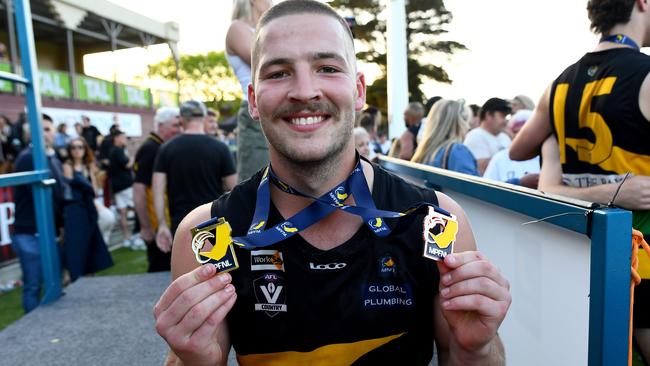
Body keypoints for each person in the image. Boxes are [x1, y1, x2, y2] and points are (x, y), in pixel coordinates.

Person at [154, 2, 511, 365]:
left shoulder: (436, 221)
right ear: (253, 99)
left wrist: (476, 349)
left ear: (358, 91)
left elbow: (468, 356)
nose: (305, 91)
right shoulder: (206, 234)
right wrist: (192, 361)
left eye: (327, 68)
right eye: (278, 73)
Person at [509, 0, 650, 361]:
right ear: (642, 3)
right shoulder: (646, 73)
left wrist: (558, 127)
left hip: (586, 253)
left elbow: (519, 148)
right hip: (643, 255)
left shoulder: (561, 81)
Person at [153, 100, 237, 254]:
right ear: (204, 117)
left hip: (181, 223)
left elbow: (157, 190)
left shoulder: (166, 149)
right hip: (214, 220)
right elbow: (234, 189)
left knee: (183, 275)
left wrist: (162, 225)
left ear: (181, 119)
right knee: (220, 274)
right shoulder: (220, 148)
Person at [12, 114, 67, 313]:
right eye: (39, 129)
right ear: (29, 134)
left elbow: (59, 196)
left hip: (48, 231)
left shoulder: (52, 158)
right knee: (34, 286)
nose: (44, 134)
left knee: (53, 286)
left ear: (54, 132)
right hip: (31, 233)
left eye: (47, 129)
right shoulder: (29, 158)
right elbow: (46, 200)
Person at [226, 0, 273, 182]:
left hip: (281, 109)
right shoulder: (238, 28)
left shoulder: (268, 30)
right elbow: (265, 63)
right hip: (256, 115)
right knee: (257, 182)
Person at [133, 107, 182, 272]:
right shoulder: (151, 149)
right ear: (161, 125)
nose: (179, 130)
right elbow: (139, 189)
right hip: (156, 224)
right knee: (159, 270)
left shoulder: (161, 146)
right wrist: (146, 226)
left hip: (163, 221)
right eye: (175, 125)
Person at [61, 137, 113, 281]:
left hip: (88, 208)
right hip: (74, 208)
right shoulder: (68, 165)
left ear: (85, 149)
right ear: (70, 151)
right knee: (75, 242)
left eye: (80, 147)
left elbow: (94, 189)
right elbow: (71, 185)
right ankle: (71, 275)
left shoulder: (88, 165)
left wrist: (89, 181)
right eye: (73, 147)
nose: (77, 150)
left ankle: (89, 273)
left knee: (91, 240)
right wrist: (87, 186)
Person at [411, 99, 478, 176]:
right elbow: (474, 187)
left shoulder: (425, 151)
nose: (468, 127)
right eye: (467, 122)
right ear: (460, 123)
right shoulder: (458, 151)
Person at [484, 110, 540, 187]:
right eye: (516, 132)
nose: (520, 136)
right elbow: (487, 189)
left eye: (524, 132)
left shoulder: (546, 157)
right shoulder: (499, 158)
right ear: (510, 132)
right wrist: (520, 183)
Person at [108, 129, 140, 249]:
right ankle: (136, 236)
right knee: (137, 209)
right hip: (125, 186)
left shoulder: (113, 151)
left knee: (123, 213)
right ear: (117, 138)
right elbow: (128, 165)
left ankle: (127, 238)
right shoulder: (118, 151)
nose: (125, 140)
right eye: (123, 137)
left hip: (118, 187)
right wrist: (133, 156)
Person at [463, 98, 512, 176]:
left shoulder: (505, 137)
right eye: (502, 116)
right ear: (488, 115)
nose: (505, 121)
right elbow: (482, 168)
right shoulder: (475, 136)